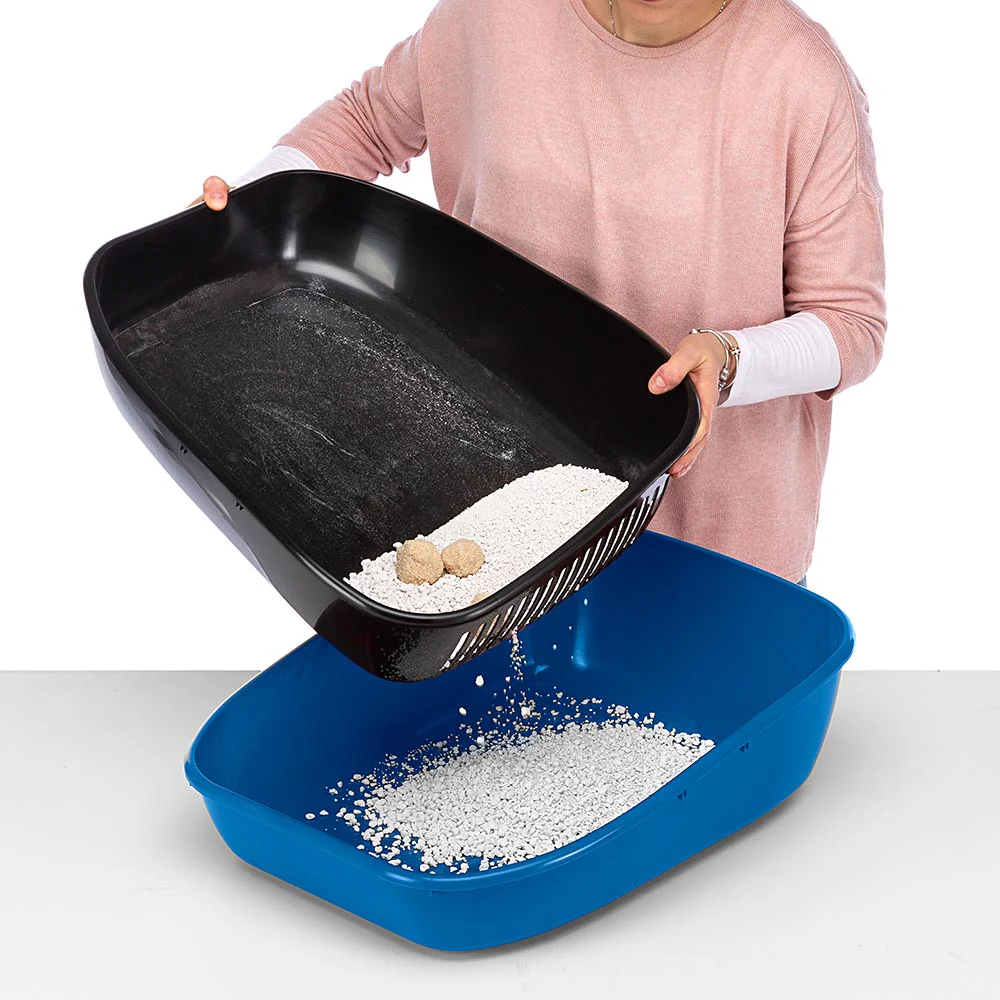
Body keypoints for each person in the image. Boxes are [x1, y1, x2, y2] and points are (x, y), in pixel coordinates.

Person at [191, 0, 885, 588]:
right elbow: (368, 120)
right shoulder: (493, 14)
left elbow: (850, 322)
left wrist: (730, 361)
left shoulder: (799, 73)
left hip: (713, 540)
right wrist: (250, 204)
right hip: (496, 509)